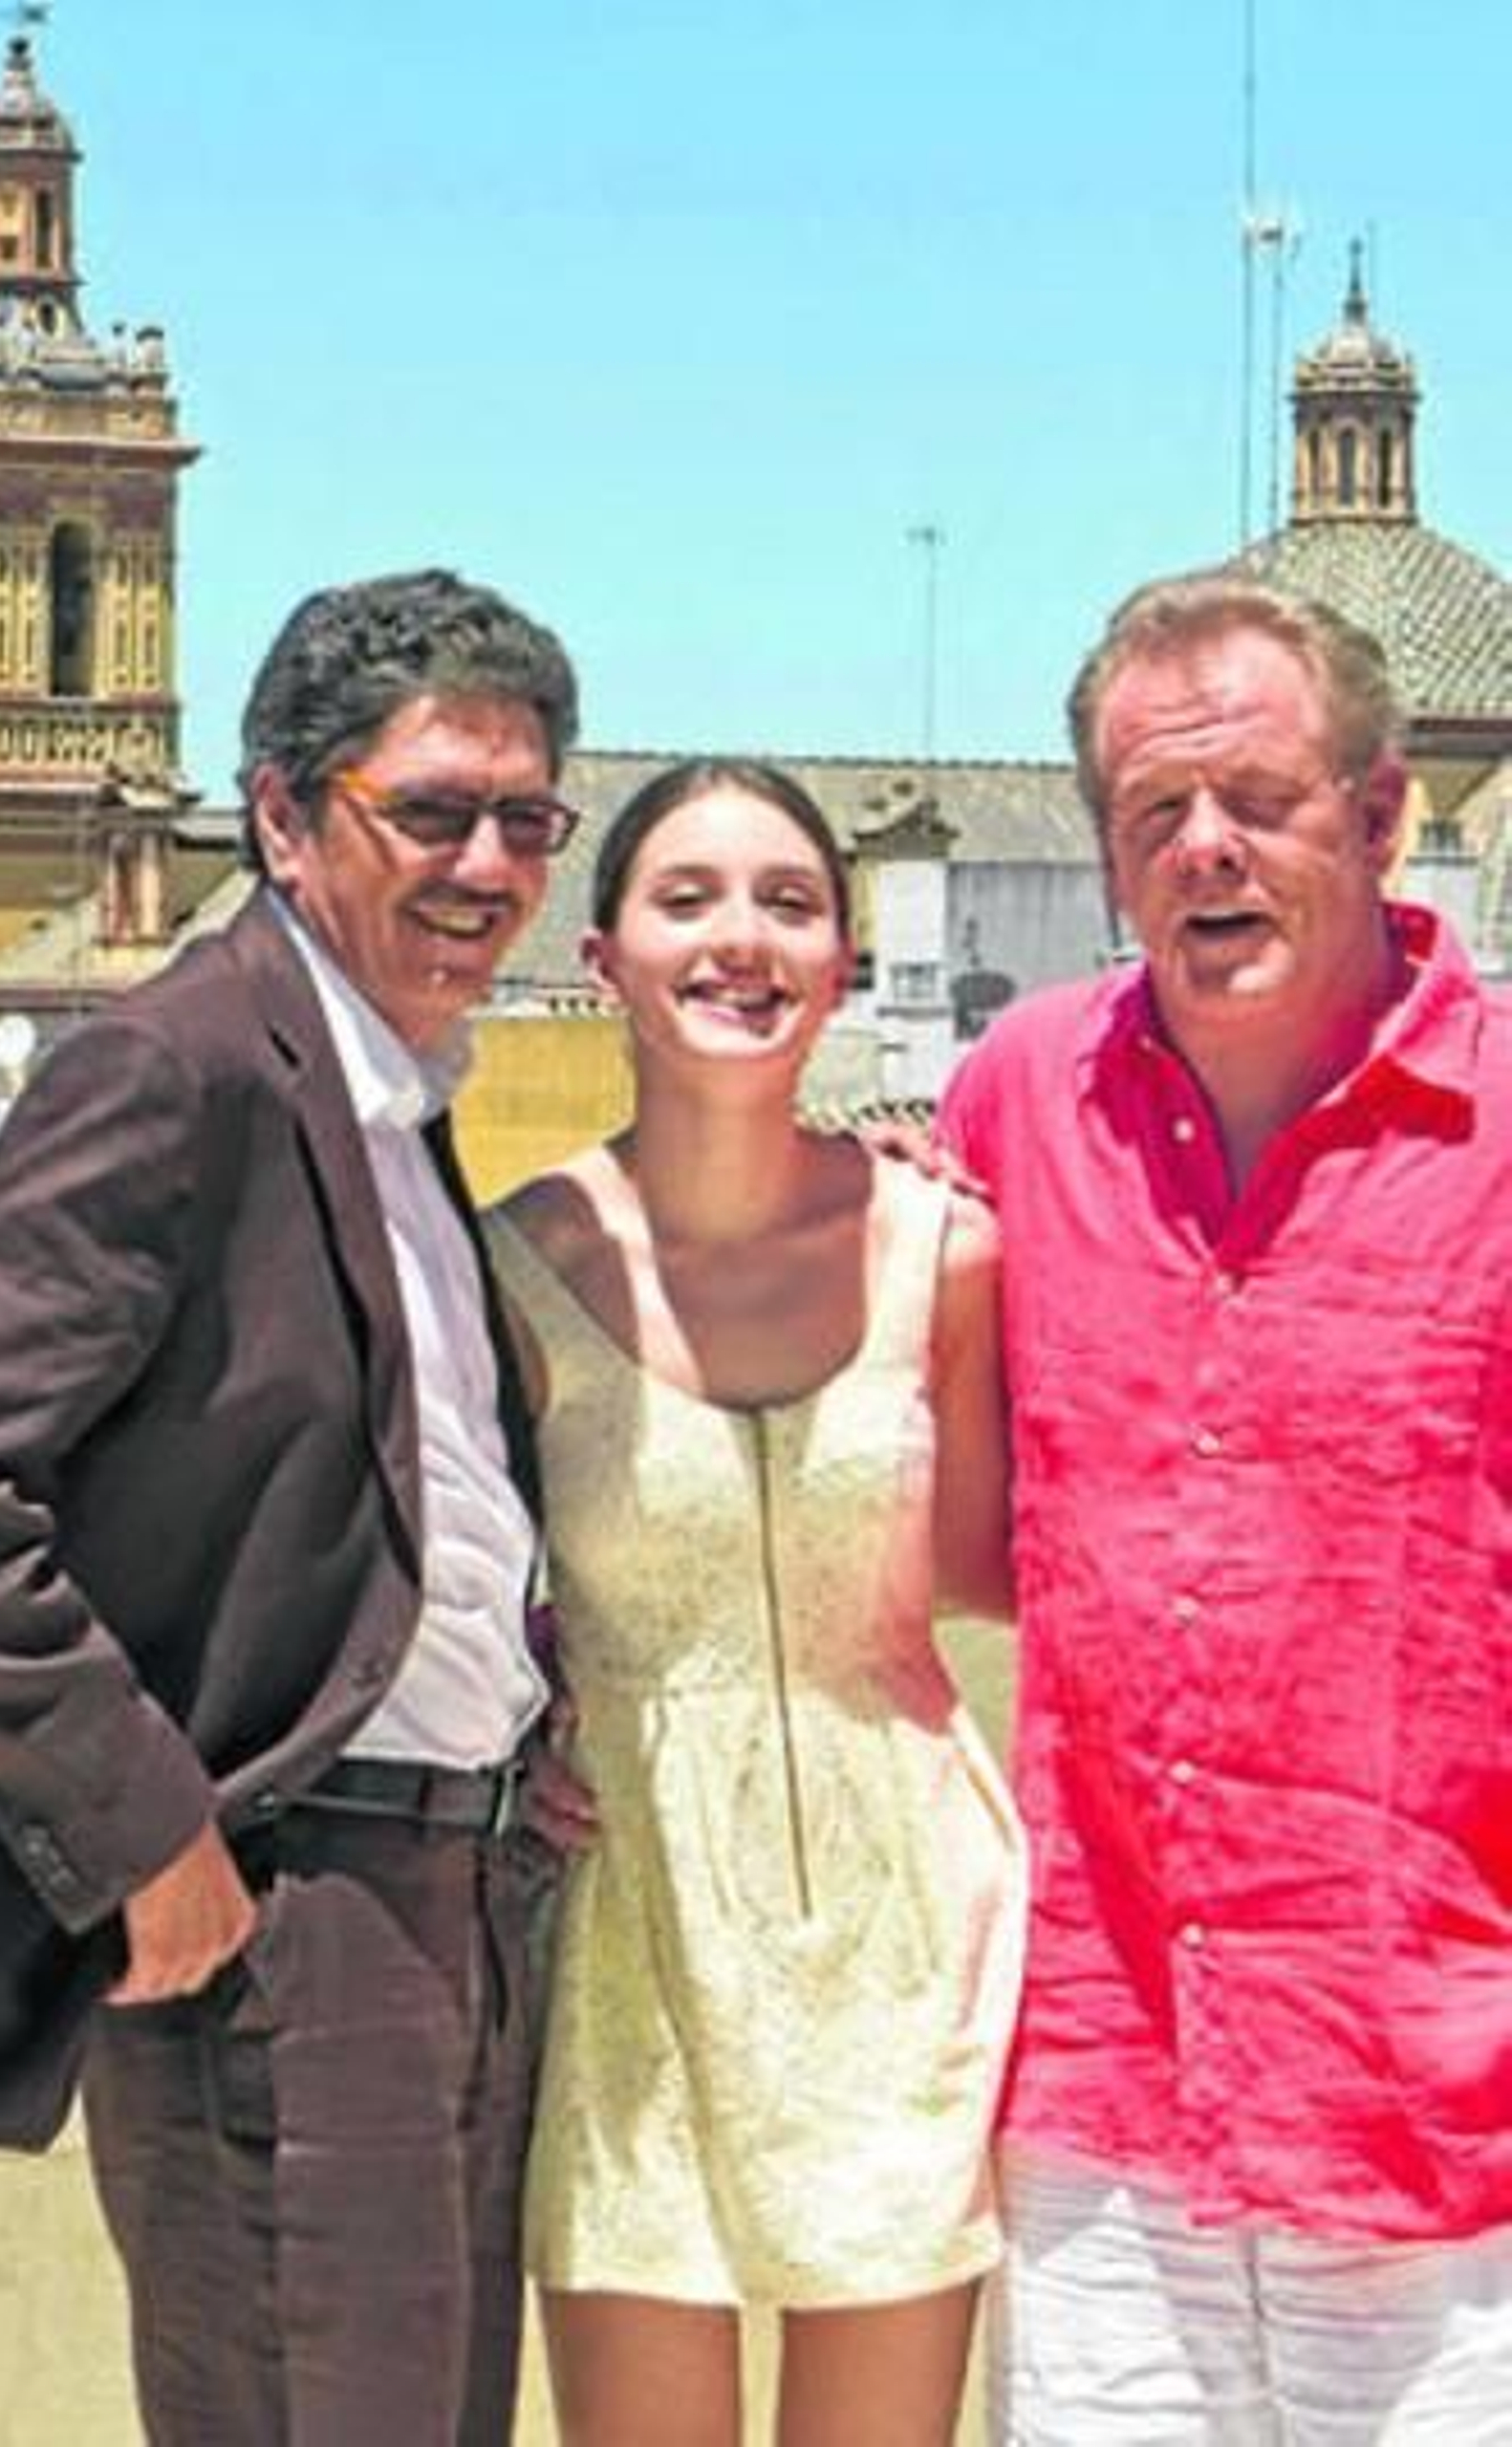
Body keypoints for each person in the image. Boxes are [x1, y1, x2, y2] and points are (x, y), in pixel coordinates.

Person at [0, 568, 582, 2445]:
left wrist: (523, 1714)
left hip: (457, 1898)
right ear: (280, 813)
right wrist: (142, 1827)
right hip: (285, 1911)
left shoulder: (386, 1093)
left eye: (527, 817)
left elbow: (373, 1494)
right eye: (431, 809)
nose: (488, 860)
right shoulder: (176, 1066)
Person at [937, 572, 1512, 2442]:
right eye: (1147, 814)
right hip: (1106, 2101)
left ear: (1378, 812)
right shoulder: (1017, 1100)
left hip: (1442, 2105)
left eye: (1255, 800)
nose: (1201, 849)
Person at [483, 756, 1027, 2447]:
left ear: (847, 962)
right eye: (689, 898)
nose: (743, 937)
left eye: (790, 902)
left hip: (898, 1920)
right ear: (605, 957)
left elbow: (992, 1572)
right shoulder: (503, 1268)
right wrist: (533, 1724)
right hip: (626, 1933)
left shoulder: (948, 1248)